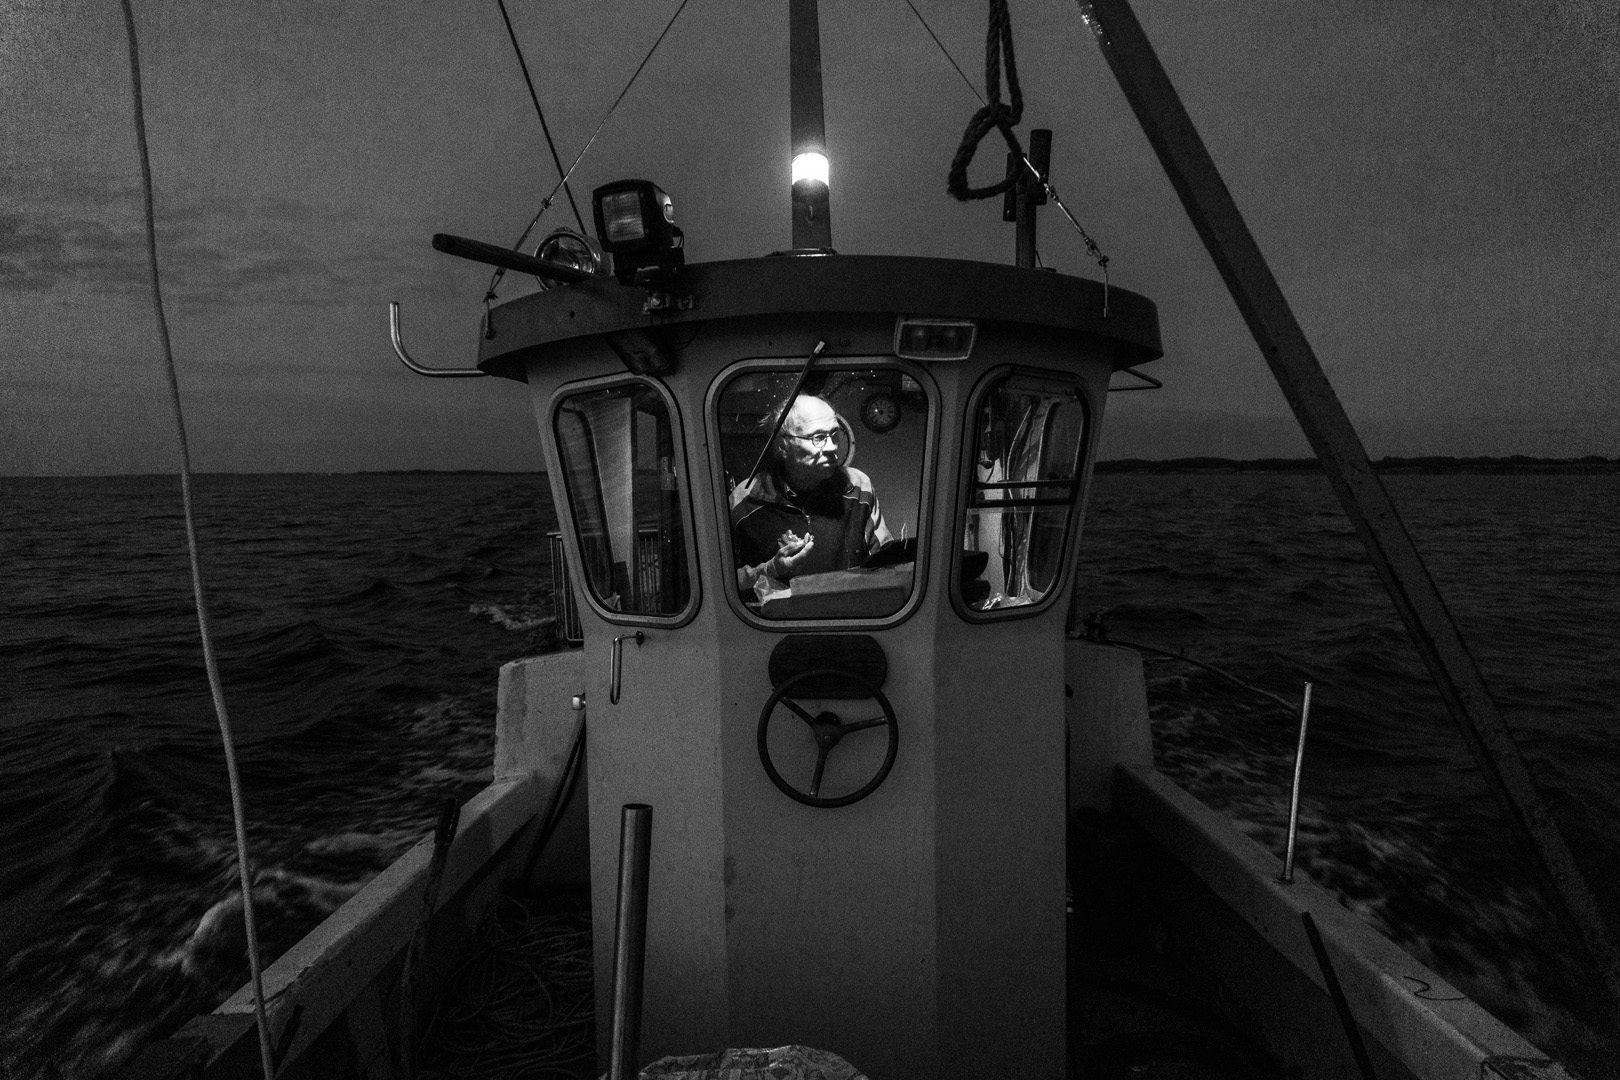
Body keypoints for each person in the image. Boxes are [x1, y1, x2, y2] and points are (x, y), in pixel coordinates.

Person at [732, 394, 893, 596]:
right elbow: (720, 582)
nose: (832, 447)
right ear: (782, 446)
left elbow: (886, 565)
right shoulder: (744, 500)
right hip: (776, 616)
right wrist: (772, 569)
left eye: (834, 434)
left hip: (849, 611)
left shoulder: (859, 486)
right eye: (818, 438)